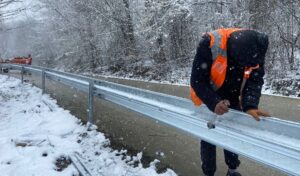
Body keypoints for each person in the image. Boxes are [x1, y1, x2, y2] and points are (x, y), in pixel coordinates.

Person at [190, 28, 270, 176]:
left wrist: (250, 105)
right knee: (209, 137)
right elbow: (197, 80)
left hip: (232, 95)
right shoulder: (210, 43)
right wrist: (213, 102)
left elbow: (255, 79)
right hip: (209, 94)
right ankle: (208, 173)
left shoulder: (255, 48)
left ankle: (232, 170)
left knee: (232, 133)